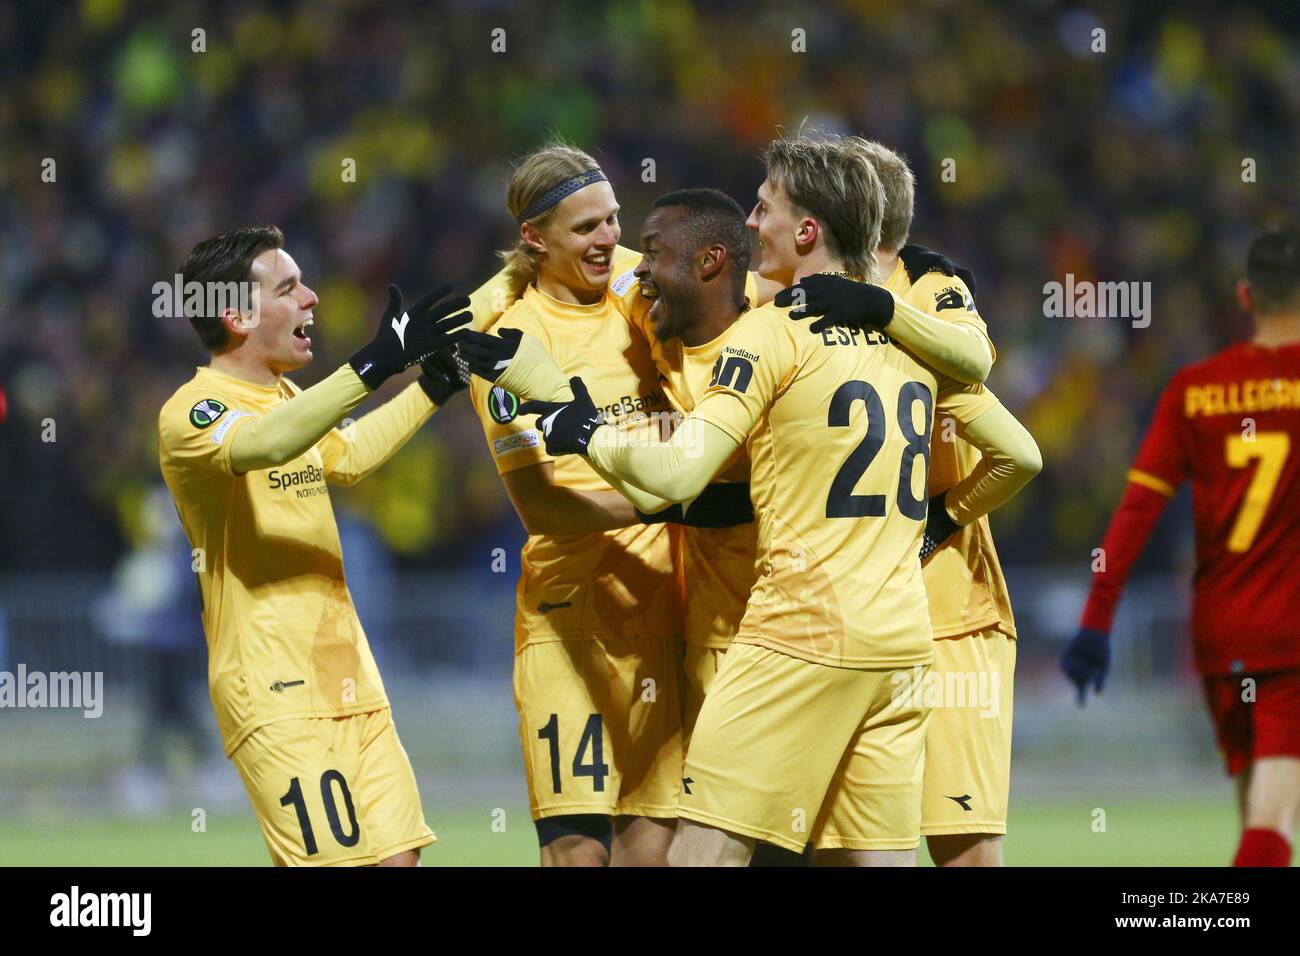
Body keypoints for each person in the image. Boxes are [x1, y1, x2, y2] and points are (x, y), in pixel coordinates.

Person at [478, 133, 1041, 866]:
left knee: (698, 856)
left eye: (765, 207)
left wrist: (570, 417)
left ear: (807, 230)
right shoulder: (915, 339)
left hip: (797, 631)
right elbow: (1021, 451)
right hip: (901, 643)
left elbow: (680, 474)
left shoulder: (771, 332)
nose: (750, 222)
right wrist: (941, 521)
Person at [461, 144, 753, 867]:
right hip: (573, 621)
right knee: (578, 854)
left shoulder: (638, 294)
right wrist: (668, 498)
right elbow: (543, 510)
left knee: (650, 854)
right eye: (586, 228)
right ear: (535, 238)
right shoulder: (509, 344)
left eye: (614, 221)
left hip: (663, 617)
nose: (607, 240)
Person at [158, 224, 470, 866]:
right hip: (271, 686)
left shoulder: (287, 397)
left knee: (399, 860)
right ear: (237, 315)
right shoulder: (193, 411)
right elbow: (264, 445)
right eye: (290, 287)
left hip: (349, 673)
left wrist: (433, 387)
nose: (313, 299)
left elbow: (348, 455)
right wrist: (374, 362)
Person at [1063, 225, 1300, 867]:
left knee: (1260, 809)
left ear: (1247, 297)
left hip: (1221, 633)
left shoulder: (1195, 389)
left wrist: (1095, 623)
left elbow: (1136, 511)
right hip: (1290, 634)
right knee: (1274, 818)